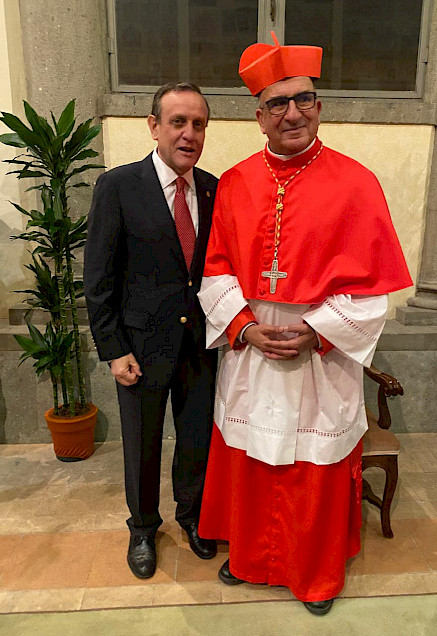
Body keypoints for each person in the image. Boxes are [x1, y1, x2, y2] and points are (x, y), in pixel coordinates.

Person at [196, 34, 412, 615]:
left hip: (322, 347)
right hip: (252, 345)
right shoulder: (236, 182)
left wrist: (317, 332)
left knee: (310, 465)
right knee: (253, 453)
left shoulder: (357, 182)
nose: (293, 113)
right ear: (258, 115)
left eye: (305, 99)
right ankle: (251, 559)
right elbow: (215, 270)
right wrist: (243, 327)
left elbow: (374, 292)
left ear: (319, 105)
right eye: (277, 103)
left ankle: (313, 574)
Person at [84, 82, 218, 579]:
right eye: (178, 122)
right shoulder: (118, 185)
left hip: (201, 345)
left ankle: (193, 517)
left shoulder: (212, 188)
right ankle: (142, 528)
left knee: (196, 439)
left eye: (198, 124)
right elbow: (98, 278)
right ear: (154, 126)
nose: (189, 133)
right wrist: (114, 349)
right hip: (140, 348)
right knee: (142, 443)